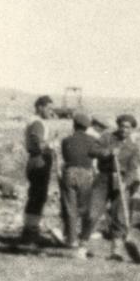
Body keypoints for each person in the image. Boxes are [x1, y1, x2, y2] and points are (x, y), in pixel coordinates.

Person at [93, 114, 140, 261]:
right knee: (92, 212)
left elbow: (133, 168)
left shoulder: (133, 147)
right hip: (103, 177)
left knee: (119, 215)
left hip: (121, 180)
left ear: (132, 129)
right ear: (118, 126)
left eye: (127, 127)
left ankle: (115, 252)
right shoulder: (107, 137)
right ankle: (81, 246)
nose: (124, 129)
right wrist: (108, 152)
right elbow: (92, 151)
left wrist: (126, 183)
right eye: (122, 126)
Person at [59, 112, 107, 255]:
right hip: (86, 174)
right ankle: (84, 237)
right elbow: (98, 155)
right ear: (87, 127)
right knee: (85, 207)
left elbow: (65, 156)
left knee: (69, 207)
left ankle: (71, 239)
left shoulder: (66, 140)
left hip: (69, 173)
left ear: (74, 125)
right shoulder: (93, 140)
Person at [21, 96, 56, 246]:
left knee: (36, 195)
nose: (51, 111)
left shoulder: (35, 122)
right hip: (38, 160)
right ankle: (31, 231)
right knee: (37, 196)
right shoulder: (37, 123)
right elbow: (39, 145)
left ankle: (30, 228)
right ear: (40, 107)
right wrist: (52, 143)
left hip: (36, 159)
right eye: (48, 108)